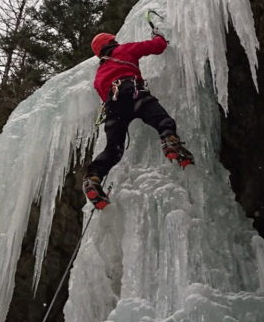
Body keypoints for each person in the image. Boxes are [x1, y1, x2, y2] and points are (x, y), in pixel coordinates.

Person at [83, 30, 194, 209]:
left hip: (113, 106)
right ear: (111, 42)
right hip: (132, 92)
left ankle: (93, 177)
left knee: (113, 149)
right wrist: (158, 36)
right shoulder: (124, 50)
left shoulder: (100, 73)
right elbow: (155, 47)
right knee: (161, 119)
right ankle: (169, 140)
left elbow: (103, 93)